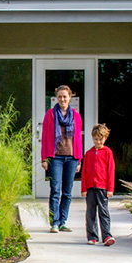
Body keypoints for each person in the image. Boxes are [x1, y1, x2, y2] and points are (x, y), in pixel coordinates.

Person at [40, 84, 83, 233]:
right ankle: (55, 223)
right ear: (56, 98)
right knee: (55, 190)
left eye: (65, 96)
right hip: (55, 158)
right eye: (60, 96)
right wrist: (44, 158)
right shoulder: (50, 115)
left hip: (71, 158)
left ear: (70, 97)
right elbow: (45, 138)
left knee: (67, 192)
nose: (62, 99)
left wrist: (79, 159)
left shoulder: (76, 116)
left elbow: (78, 138)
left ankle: (63, 221)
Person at [81, 123, 116, 246]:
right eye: (96, 139)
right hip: (90, 188)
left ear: (105, 138)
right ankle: (92, 236)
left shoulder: (108, 153)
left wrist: (110, 188)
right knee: (90, 213)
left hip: (102, 187)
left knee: (103, 211)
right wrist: (84, 188)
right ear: (92, 138)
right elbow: (84, 172)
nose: (98, 141)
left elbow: (110, 171)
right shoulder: (89, 153)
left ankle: (106, 235)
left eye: (100, 139)